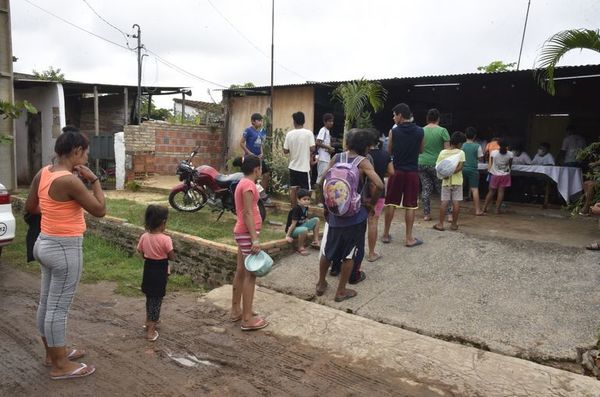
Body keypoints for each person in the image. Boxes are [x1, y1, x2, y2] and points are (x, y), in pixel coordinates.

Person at [25, 126, 105, 380]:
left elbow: (31, 206)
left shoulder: (43, 173)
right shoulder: (70, 180)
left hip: (44, 242)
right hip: (64, 247)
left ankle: (53, 354)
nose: (86, 158)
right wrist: (94, 180)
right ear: (76, 151)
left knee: (47, 303)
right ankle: (61, 365)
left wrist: (54, 213)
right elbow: (100, 210)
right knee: (58, 308)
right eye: (85, 153)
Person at [316, 128, 383, 302]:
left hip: (335, 214)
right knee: (350, 254)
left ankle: (321, 283)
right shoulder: (363, 161)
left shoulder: (337, 158)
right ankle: (340, 291)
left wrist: (326, 205)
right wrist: (370, 204)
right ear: (366, 146)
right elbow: (380, 185)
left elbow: (321, 182)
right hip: (355, 216)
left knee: (327, 250)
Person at [230, 154, 268, 331]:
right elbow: (247, 213)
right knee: (250, 275)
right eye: (260, 168)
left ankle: (237, 310)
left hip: (242, 232)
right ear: (256, 169)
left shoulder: (243, 183)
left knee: (240, 270)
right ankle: (247, 319)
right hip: (246, 234)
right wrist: (255, 239)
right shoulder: (248, 185)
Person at [382, 103, 425, 247]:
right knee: (410, 206)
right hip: (412, 172)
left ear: (400, 115)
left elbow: (389, 151)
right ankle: (408, 238)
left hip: (397, 171)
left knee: (391, 203)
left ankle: (386, 235)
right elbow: (421, 150)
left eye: (394, 115)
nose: (394, 118)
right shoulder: (420, 131)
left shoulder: (394, 131)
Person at [137, 205, 175, 341]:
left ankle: (149, 321)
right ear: (163, 222)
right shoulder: (166, 239)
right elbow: (171, 256)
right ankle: (151, 330)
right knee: (156, 300)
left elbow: (141, 252)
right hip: (160, 271)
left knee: (149, 297)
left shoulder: (144, 236)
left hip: (148, 269)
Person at [418, 108, 450, 221]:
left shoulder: (421, 130)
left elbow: (418, 148)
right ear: (438, 119)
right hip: (437, 164)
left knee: (426, 189)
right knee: (442, 189)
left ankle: (426, 214)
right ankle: (448, 214)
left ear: (427, 118)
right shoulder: (442, 131)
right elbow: (447, 151)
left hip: (421, 163)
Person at [366, 130, 393, 262]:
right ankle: (371, 253)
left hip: (363, 192)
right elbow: (392, 172)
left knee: (360, 223)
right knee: (373, 221)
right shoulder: (385, 154)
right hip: (379, 192)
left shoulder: (363, 154)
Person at [434, 131, 466, 231]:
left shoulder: (443, 152)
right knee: (456, 202)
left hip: (446, 181)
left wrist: (446, 174)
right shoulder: (461, 153)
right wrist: (452, 173)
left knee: (444, 202)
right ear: (459, 143)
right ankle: (454, 224)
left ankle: (440, 224)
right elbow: (460, 167)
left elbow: (438, 167)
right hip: (457, 181)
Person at [283, 111, 316, 206]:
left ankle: (294, 210)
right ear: (304, 121)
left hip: (292, 166)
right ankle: (304, 210)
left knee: (293, 189)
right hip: (304, 167)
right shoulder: (308, 133)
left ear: (294, 122)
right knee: (306, 190)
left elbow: (285, 150)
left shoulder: (289, 134)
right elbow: (313, 148)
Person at [240, 113, 272, 205]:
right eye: (259, 121)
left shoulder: (259, 132)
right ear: (253, 121)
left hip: (258, 158)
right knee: (251, 177)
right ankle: (254, 196)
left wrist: (262, 153)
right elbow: (241, 143)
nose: (261, 122)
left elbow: (260, 144)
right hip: (250, 158)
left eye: (262, 121)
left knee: (266, 174)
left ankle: (261, 195)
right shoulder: (248, 130)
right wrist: (249, 153)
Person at [285, 188, 321, 255]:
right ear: (298, 200)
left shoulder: (306, 207)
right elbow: (293, 225)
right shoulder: (296, 209)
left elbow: (305, 218)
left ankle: (315, 241)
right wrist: (287, 236)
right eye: (304, 199)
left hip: (300, 227)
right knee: (304, 229)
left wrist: (310, 223)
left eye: (308, 199)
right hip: (292, 230)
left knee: (317, 220)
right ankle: (300, 247)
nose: (307, 201)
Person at [483, 139, 513, 214]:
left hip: (495, 174)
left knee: (491, 192)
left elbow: (491, 162)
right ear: (507, 146)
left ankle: (484, 208)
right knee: (501, 192)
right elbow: (510, 165)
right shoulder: (510, 154)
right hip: (505, 175)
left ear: (498, 144)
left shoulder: (494, 153)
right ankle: (497, 209)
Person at [461, 127, 484, 215]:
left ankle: (452, 208)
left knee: (459, 189)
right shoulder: (477, 146)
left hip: (462, 168)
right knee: (474, 189)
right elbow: (480, 158)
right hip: (473, 169)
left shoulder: (462, 145)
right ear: (475, 136)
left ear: (465, 135)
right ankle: (478, 210)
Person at [315, 113, 336, 207]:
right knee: (320, 178)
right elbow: (317, 142)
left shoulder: (327, 131)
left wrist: (329, 149)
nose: (331, 123)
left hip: (326, 157)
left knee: (324, 179)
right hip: (322, 158)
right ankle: (318, 200)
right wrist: (329, 147)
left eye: (332, 121)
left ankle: (322, 200)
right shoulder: (323, 130)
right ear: (325, 122)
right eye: (329, 121)